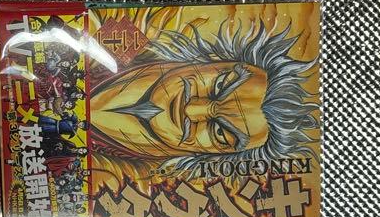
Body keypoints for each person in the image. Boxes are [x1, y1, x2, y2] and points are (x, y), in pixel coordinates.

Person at [87, 20, 318, 175]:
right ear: (214, 59)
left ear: (211, 156)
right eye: (219, 85)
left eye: (219, 133)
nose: (192, 110)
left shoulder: (123, 180)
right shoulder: (121, 34)